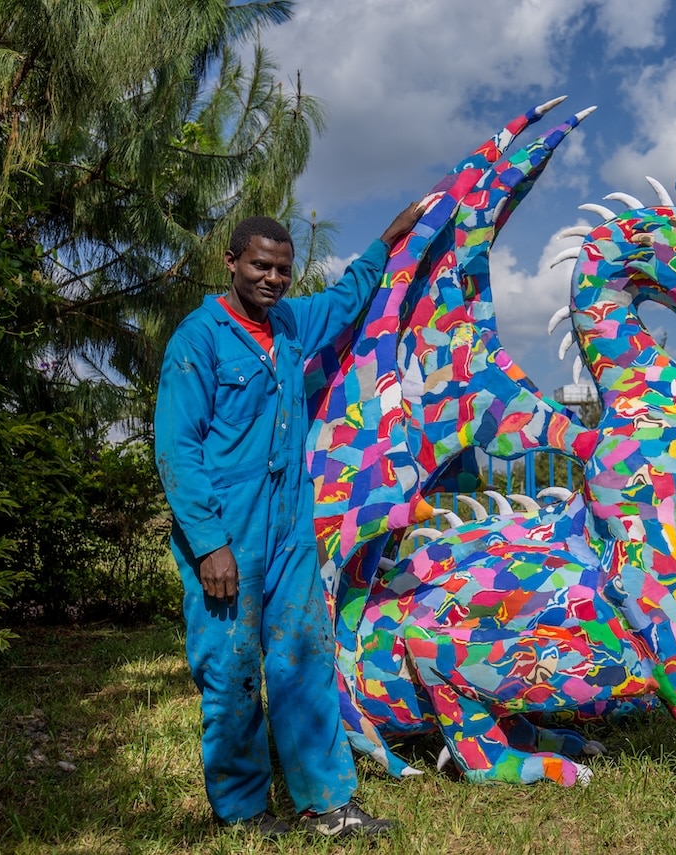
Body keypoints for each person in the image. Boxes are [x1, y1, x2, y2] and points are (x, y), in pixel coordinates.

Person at [154, 203, 422, 838]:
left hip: (289, 531)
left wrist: (387, 240)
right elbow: (176, 448)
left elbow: (347, 297)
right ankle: (242, 815)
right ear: (231, 262)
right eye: (260, 267)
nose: (273, 279)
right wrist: (210, 543)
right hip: (225, 535)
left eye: (282, 269)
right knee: (232, 669)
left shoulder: (293, 324)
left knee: (305, 655)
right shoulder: (199, 339)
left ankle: (328, 804)